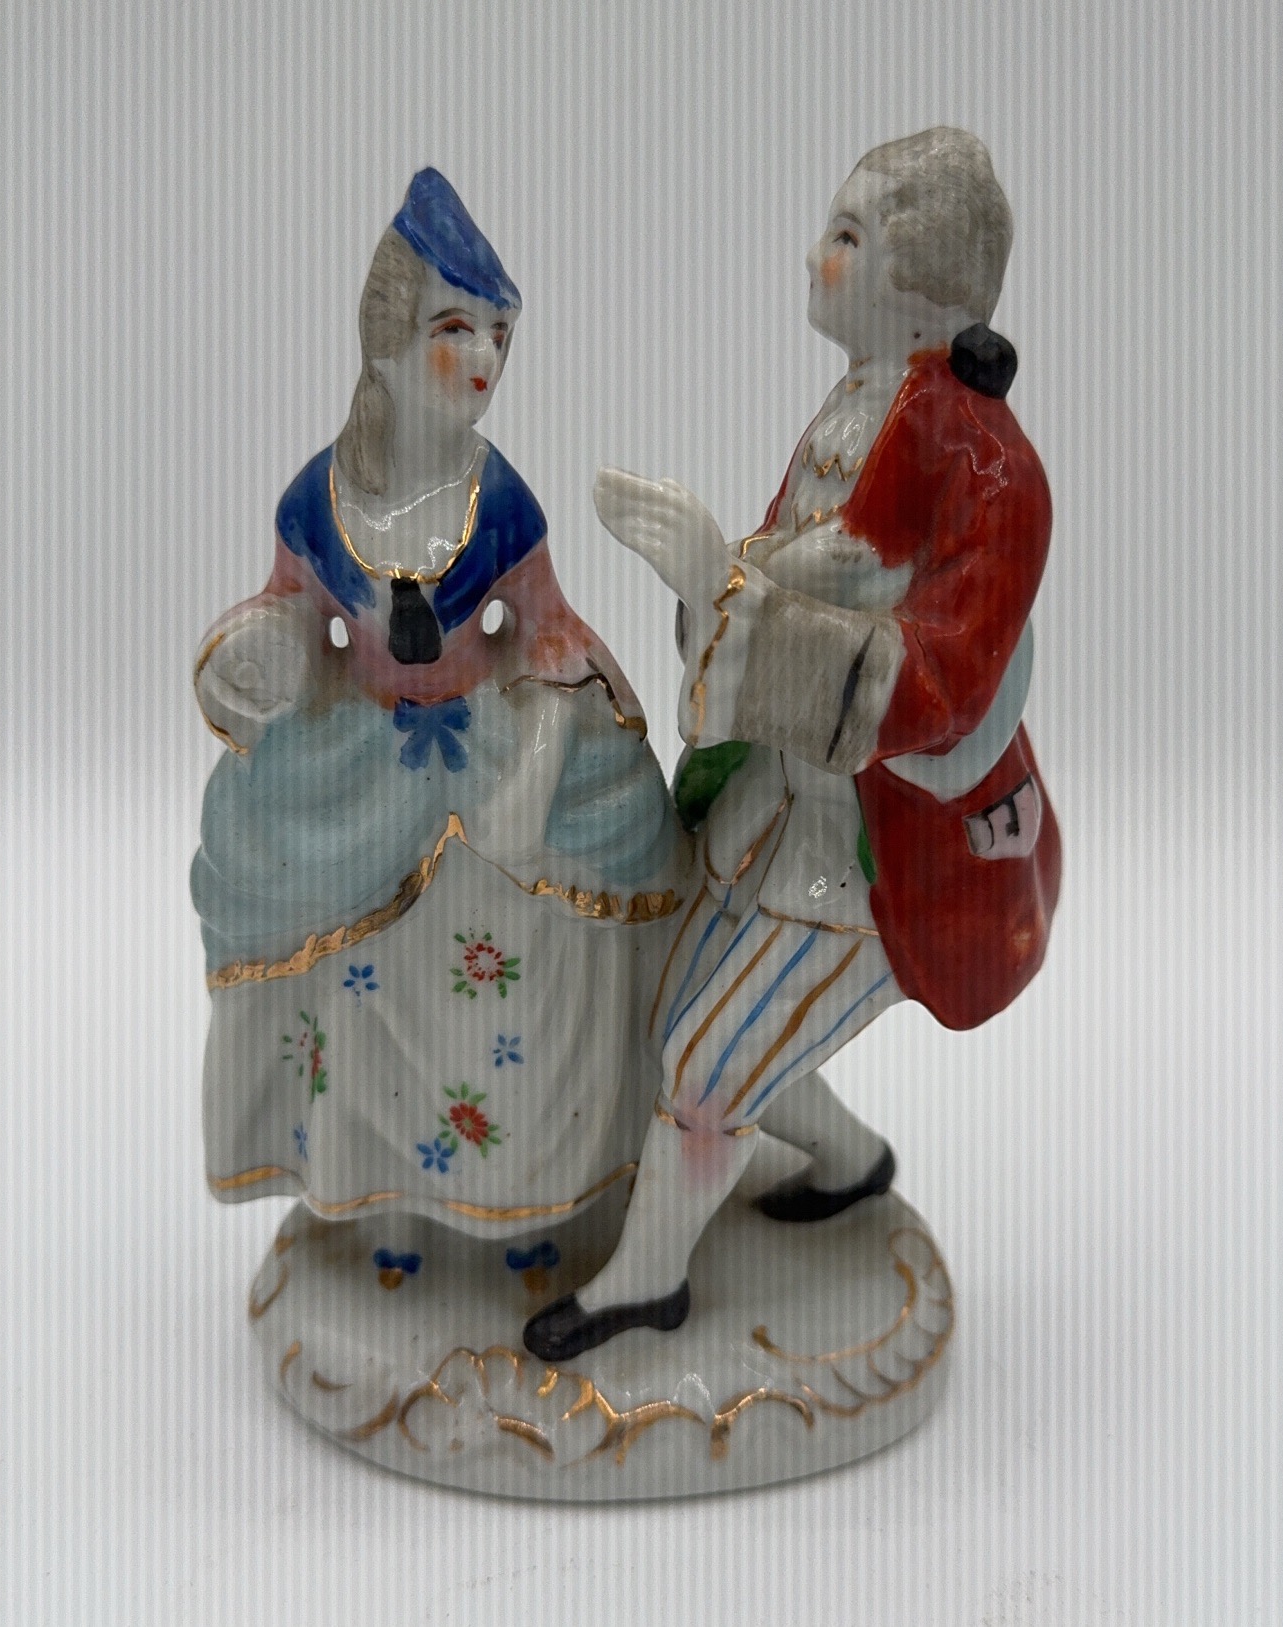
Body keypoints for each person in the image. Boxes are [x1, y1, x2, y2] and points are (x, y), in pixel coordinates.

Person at [524, 128, 1062, 1360]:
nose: (815, 257)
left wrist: (723, 586)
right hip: (778, 805)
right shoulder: (860, 406)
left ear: (922, 283)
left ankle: (645, 1283)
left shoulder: (992, 471)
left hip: (880, 848)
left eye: (846, 236)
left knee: (704, 1064)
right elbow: (788, 571)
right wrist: (712, 580)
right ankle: (848, 1157)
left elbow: (941, 687)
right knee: (685, 1000)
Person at [192, 170, 691, 1237]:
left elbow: (547, 631)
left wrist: (544, 752)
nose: (483, 361)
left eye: (499, 336)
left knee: (555, 897)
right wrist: (256, 654)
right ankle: (370, 1190)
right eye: (453, 329)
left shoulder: (496, 497)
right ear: (384, 339)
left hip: (484, 731)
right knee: (292, 891)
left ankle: (527, 1190)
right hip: (360, 753)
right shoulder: (319, 495)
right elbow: (290, 616)